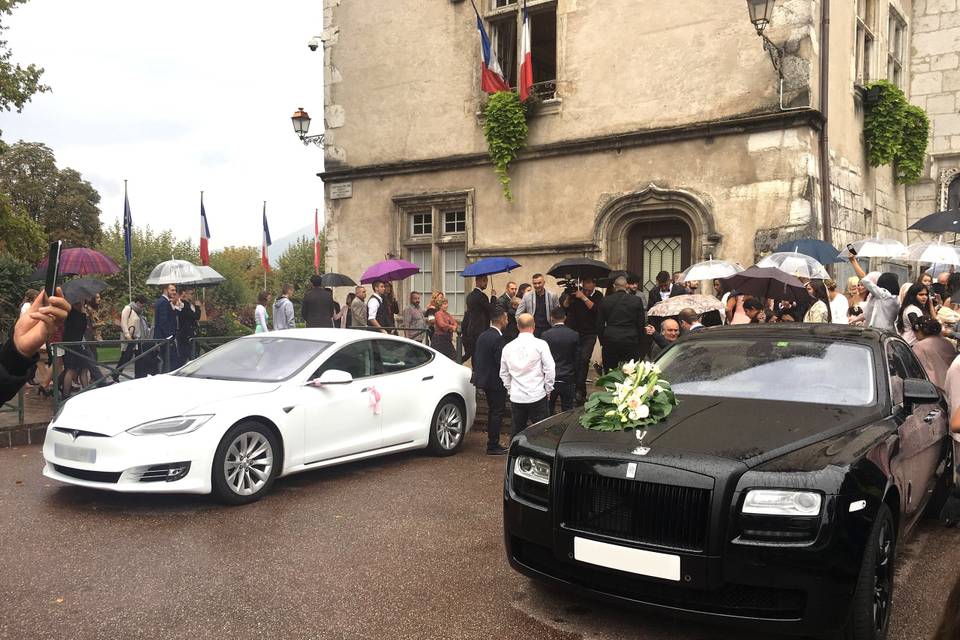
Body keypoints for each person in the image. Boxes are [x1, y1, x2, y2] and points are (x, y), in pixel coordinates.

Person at [1, 288, 70, 404]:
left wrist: (18, 352)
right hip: (47, 338)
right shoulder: (26, 306)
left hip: (28, 335)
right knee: (53, 361)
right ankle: (44, 383)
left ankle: (44, 383)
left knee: (53, 361)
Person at [500, 313, 555, 436]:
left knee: (516, 432)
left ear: (518, 327)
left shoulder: (508, 347)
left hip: (517, 396)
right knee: (542, 433)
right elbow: (550, 369)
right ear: (534, 326)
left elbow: (503, 373)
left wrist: (510, 389)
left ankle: (515, 455)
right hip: (537, 394)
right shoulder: (541, 345)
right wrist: (548, 389)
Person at [471, 308, 509, 455]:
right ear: (500, 320)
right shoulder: (498, 338)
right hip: (495, 381)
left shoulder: (483, 335)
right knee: (496, 412)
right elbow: (501, 362)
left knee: (493, 411)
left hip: (485, 379)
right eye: (506, 318)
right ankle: (493, 444)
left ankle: (493, 442)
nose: (507, 321)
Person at [560, 276, 602, 405]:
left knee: (584, 359)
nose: (587, 290)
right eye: (585, 286)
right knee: (575, 361)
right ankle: (579, 392)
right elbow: (564, 307)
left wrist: (583, 297)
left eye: (589, 287)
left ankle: (579, 390)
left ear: (594, 285)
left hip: (589, 333)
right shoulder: (575, 293)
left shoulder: (598, 295)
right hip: (574, 332)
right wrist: (569, 294)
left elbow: (596, 309)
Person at [596, 276, 647, 370]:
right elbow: (640, 323)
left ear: (614, 286)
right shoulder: (636, 300)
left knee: (610, 372)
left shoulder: (605, 301)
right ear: (626, 286)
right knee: (631, 372)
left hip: (610, 339)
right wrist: (640, 342)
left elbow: (599, 324)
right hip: (630, 339)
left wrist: (603, 341)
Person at [848, 254, 900, 331]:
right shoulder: (881, 297)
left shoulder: (885, 295)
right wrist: (854, 320)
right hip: (874, 330)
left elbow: (864, 280)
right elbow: (867, 313)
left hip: (882, 332)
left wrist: (853, 261)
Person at [542, 307, 578, 414]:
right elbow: (577, 358)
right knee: (567, 410)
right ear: (565, 318)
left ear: (551, 318)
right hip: (568, 377)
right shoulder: (574, 335)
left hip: (550, 378)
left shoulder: (545, 335)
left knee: (548, 410)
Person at [913, 319, 956, 388]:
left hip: (933, 387)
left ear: (920, 331)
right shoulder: (947, 343)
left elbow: (915, 368)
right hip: (952, 382)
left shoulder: (919, 346)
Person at [462, 275, 496, 361]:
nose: (486, 283)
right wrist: (493, 297)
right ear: (477, 281)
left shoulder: (470, 296)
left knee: (474, 354)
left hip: (471, 329)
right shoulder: (481, 296)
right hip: (481, 329)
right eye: (484, 281)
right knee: (479, 355)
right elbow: (491, 309)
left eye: (487, 281)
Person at [115, 295, 148, 382]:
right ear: (138, 302)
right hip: (129, 337)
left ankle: (139, 375)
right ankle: (116, 373)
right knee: (126, 357)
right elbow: (123, 322)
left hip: (137, 337)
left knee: (139, 357)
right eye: (142, 304)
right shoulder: (128, 309)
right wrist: (127, 334)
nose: (143, 306)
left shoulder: (138, 312)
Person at [516, 273, 559, 338]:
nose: (537, 285)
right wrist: (523, 328)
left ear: (544, 283)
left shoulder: (552, 295)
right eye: (535, 283)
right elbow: (518, 314)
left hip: (549, 328)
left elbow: (558, 313)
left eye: (539, 283)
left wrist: (556, 328)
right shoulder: (527, 296)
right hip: (532, 330)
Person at [152, 284, 180, 371]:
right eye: (172, 290)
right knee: (170, 361)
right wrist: (169, 336)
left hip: (165, 337)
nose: (174, 292)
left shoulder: (166, 302)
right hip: (165, 337)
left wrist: (176, 306)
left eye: (175, 290)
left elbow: (171, 316)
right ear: (165, 290)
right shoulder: (163, 302)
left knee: (169, 360)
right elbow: (163, 321)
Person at [176, 288, 202, 363]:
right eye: (191, 294)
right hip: (186, 334)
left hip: (191, 333)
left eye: (193, 294)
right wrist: (197, 307)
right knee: (187, 355)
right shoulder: (184, 304)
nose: (193, 296)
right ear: (185, 294)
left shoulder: (190, 304)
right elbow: (195, 316)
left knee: (194, 354)